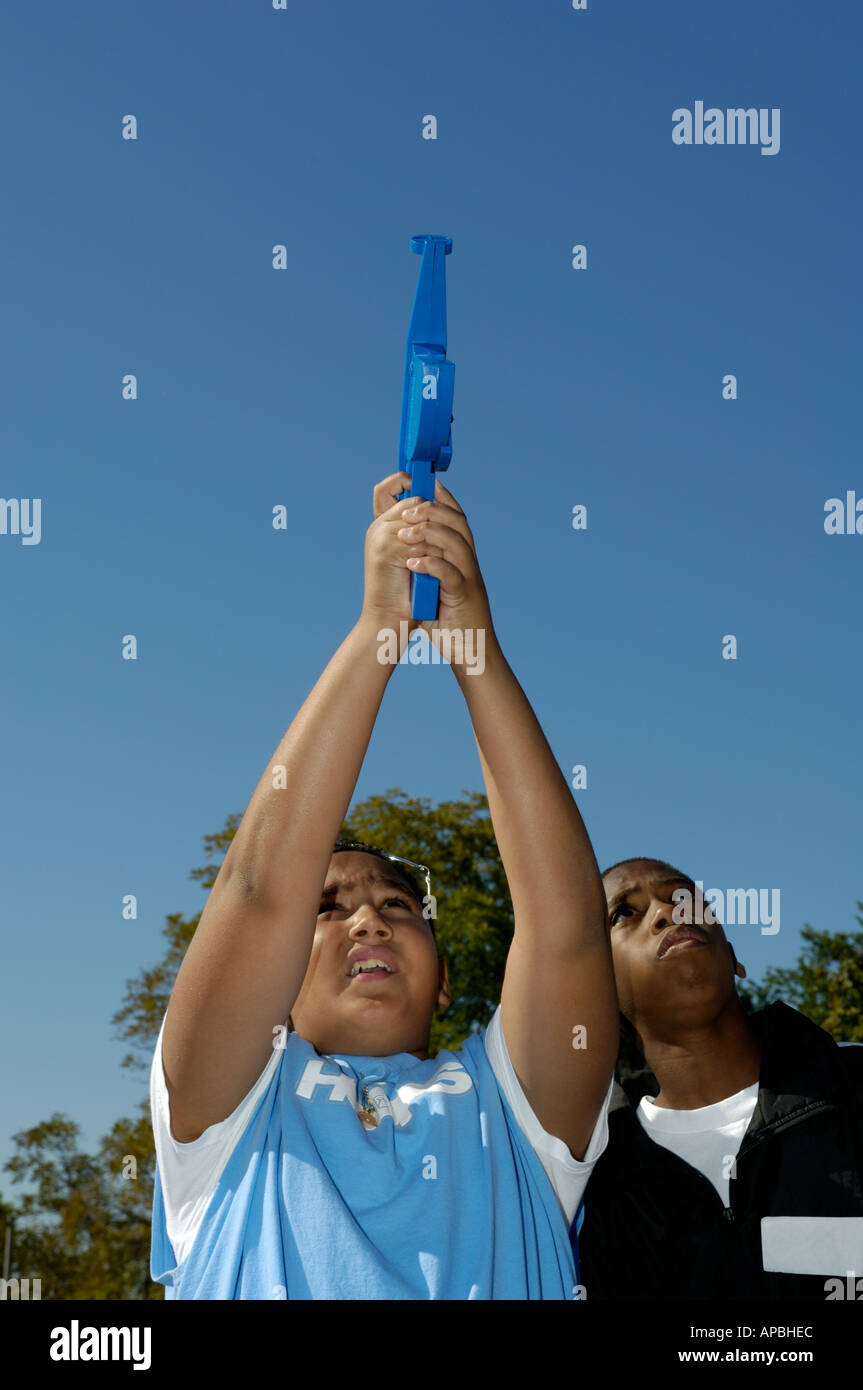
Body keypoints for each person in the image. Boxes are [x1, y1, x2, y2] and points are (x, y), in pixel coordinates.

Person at [149, 472, 618, 1299]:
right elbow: (259, 890)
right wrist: (379, 630)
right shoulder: (227, 1124)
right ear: (274, 982)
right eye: (326, 908)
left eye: (397, 905)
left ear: (443, 982)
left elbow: (566, 925)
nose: (367, 918)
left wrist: (470, 637)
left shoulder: (515, 1116)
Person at [576, 856, 863, 1299]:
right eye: (624, 913)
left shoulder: (853, 1082)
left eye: (686, 899)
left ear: (734, 957)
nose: (668, 913)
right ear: (599, 989)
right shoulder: (591, 1183)